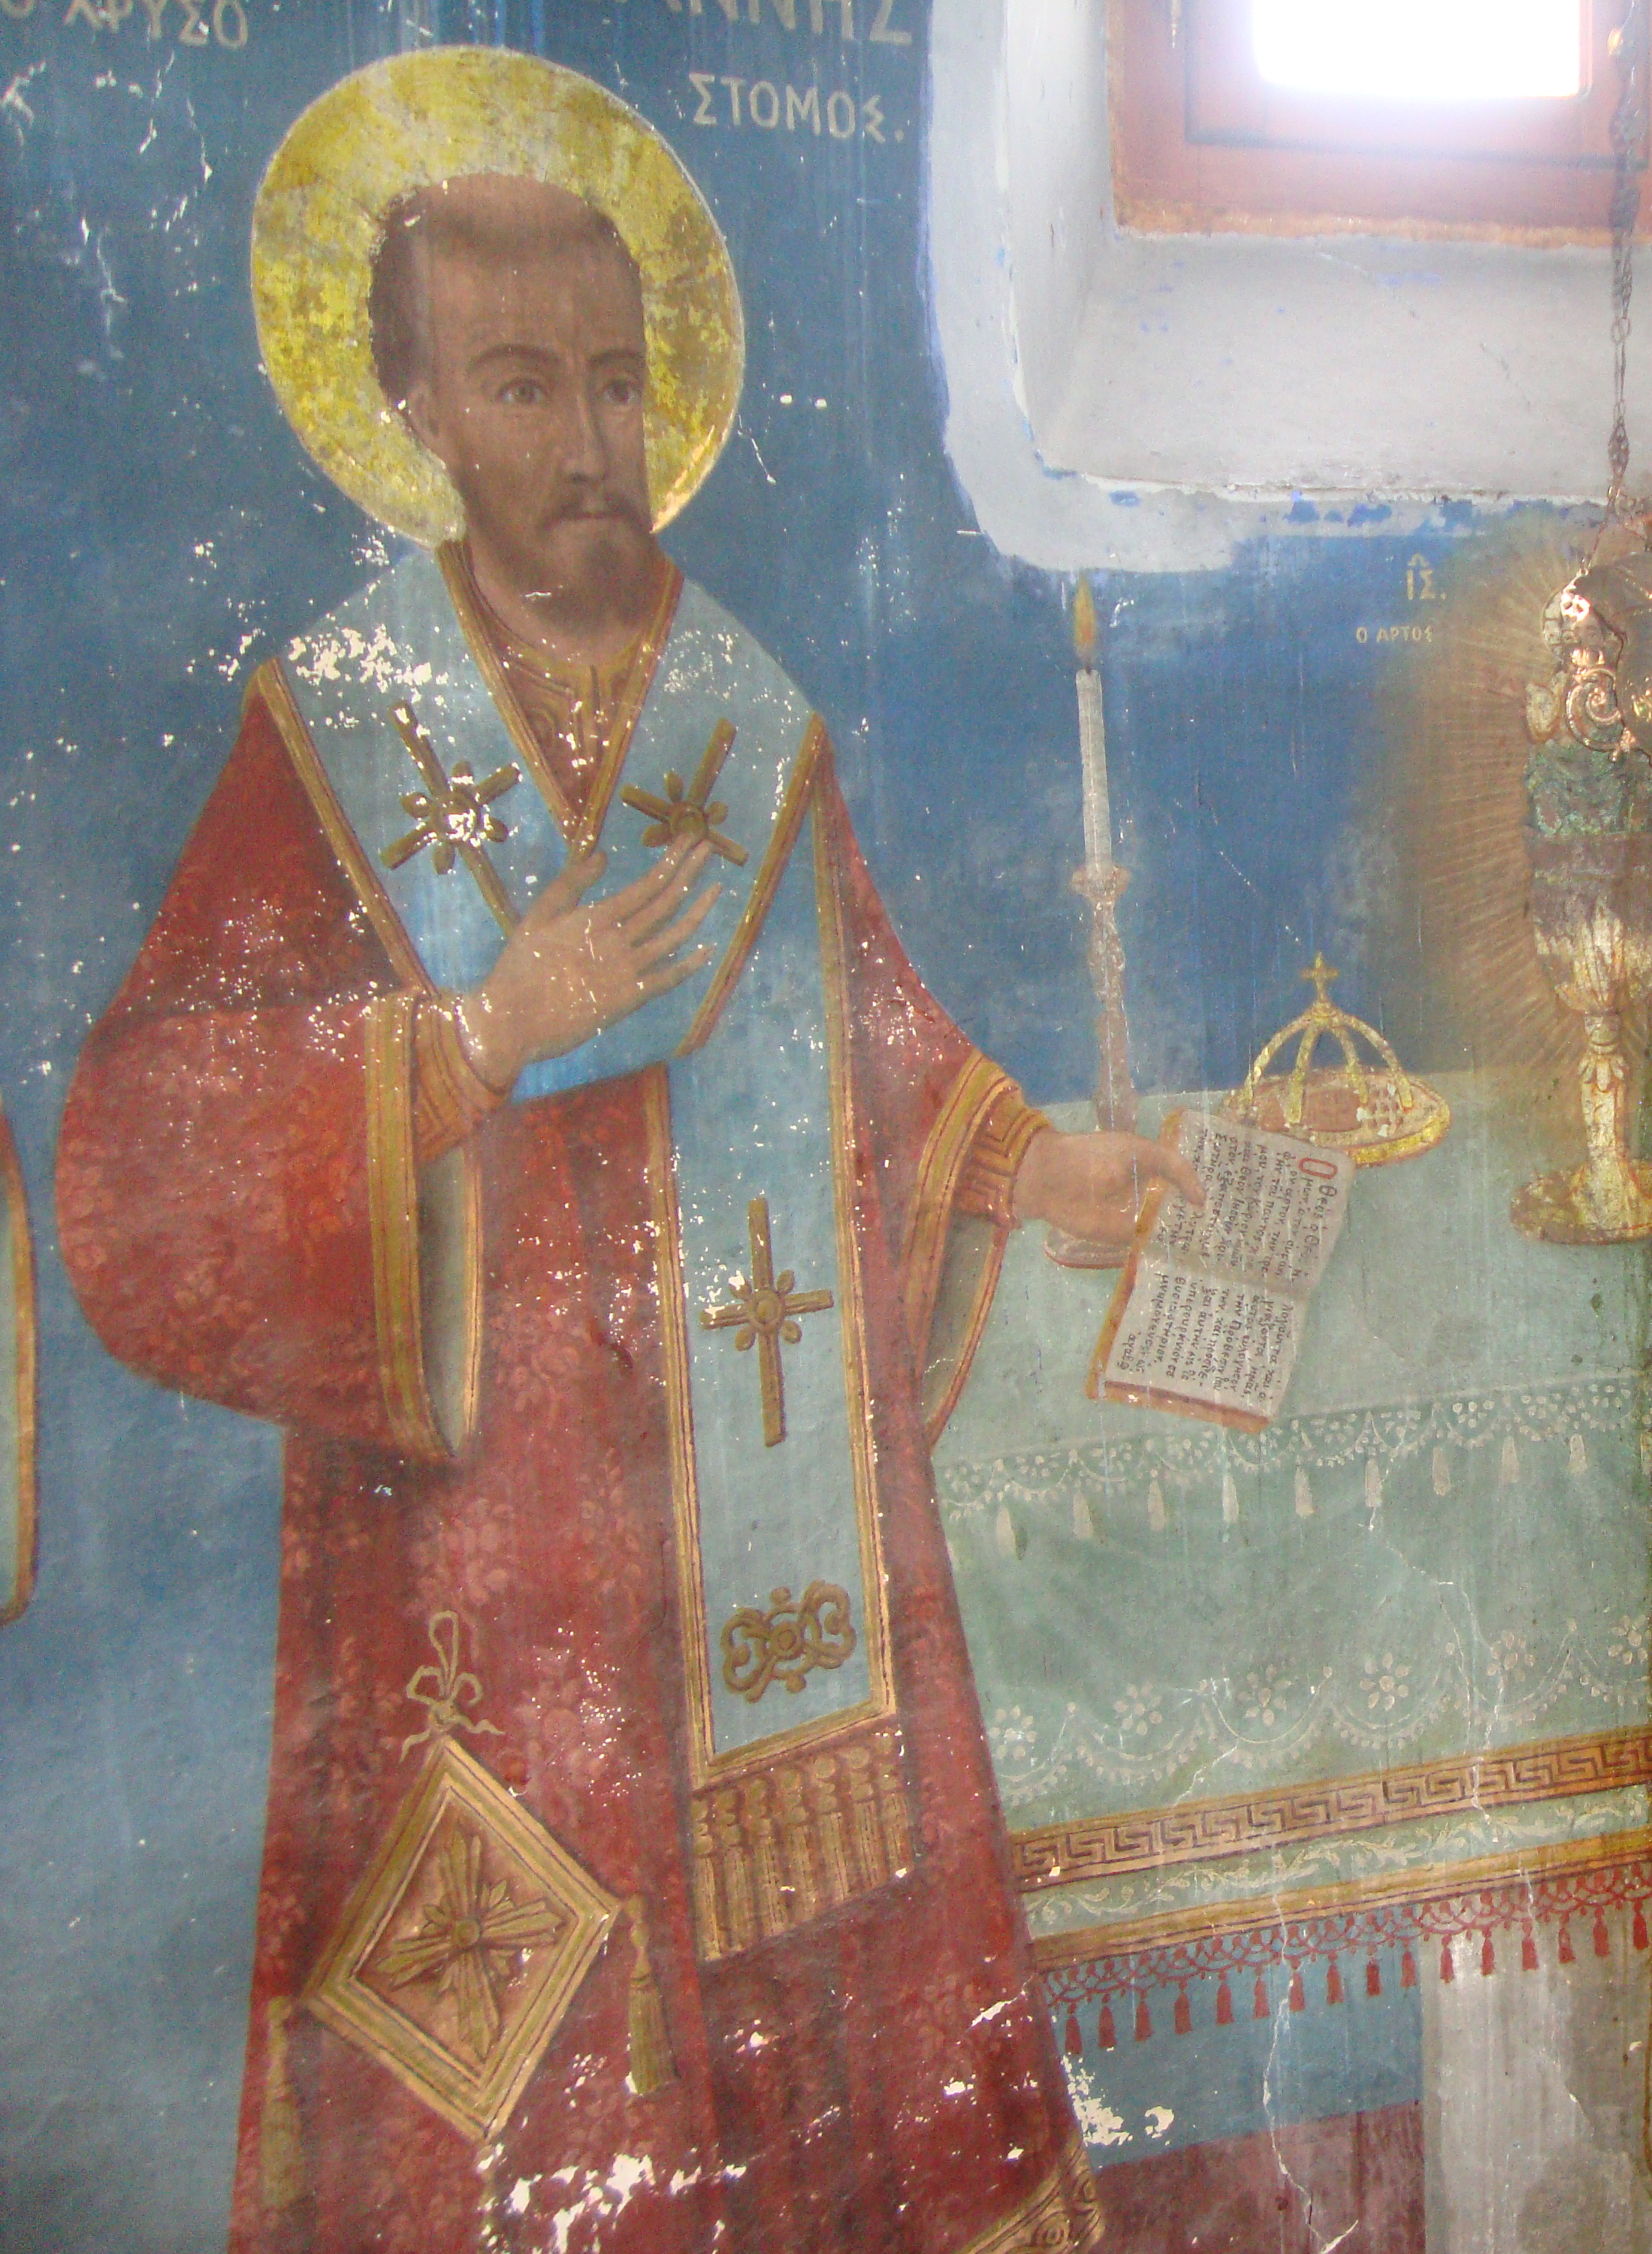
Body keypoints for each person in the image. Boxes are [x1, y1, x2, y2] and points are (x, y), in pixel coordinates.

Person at [58, 54, 1189, 2254]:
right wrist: (485, 1034)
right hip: (491, 1555)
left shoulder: (741, 715)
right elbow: (140, 1162)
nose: (590, 445)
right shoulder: (337, 727)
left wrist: (1028, 1169)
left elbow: (869, 1030)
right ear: (415, 414)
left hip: (774, 1512)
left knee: (825, 2029)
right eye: (521, 387)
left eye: (613, 381)